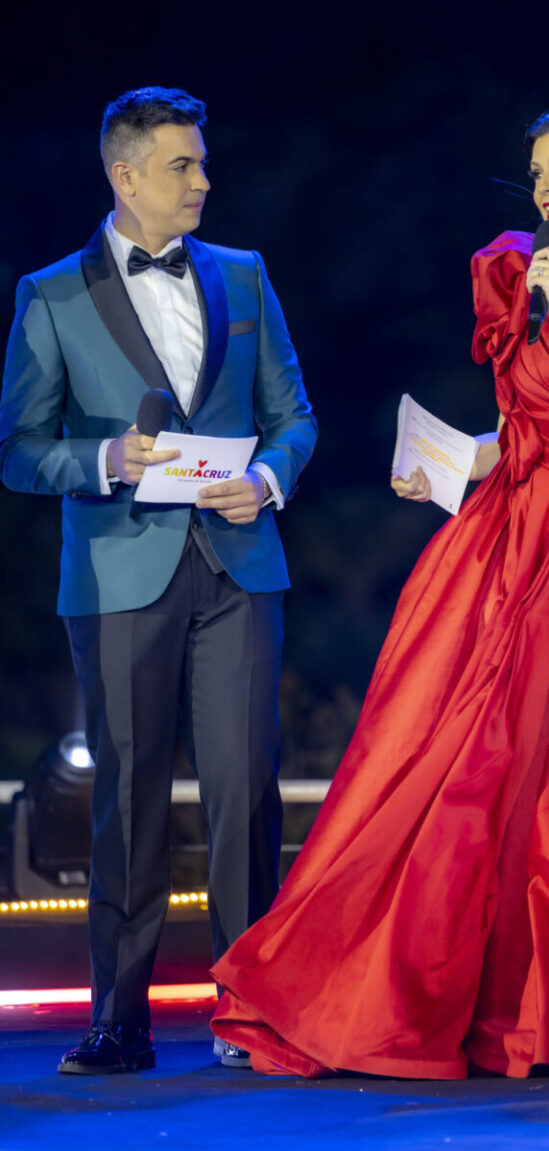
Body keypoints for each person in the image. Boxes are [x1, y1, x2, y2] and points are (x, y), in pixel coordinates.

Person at [210, 105, 549, 1080]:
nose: (544, 185)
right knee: (471, 761)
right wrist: (455, 466)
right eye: (536, 169)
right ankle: (434, 992)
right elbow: (542, 430)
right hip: (523, 536)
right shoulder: (534, 279)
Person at [0, 87, 317, 1074]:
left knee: (242, 792)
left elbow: (294, 416)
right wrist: (107, 462)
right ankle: (119, 1021)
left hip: (237, 563)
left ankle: (252, 1010)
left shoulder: (248, 276)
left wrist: (265, 478)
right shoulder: (51, 295)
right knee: (129, 796)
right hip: (118, 566)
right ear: (124, 175)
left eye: (203, 161)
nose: (203, 181)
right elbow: (17, 447)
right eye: (183, 164)